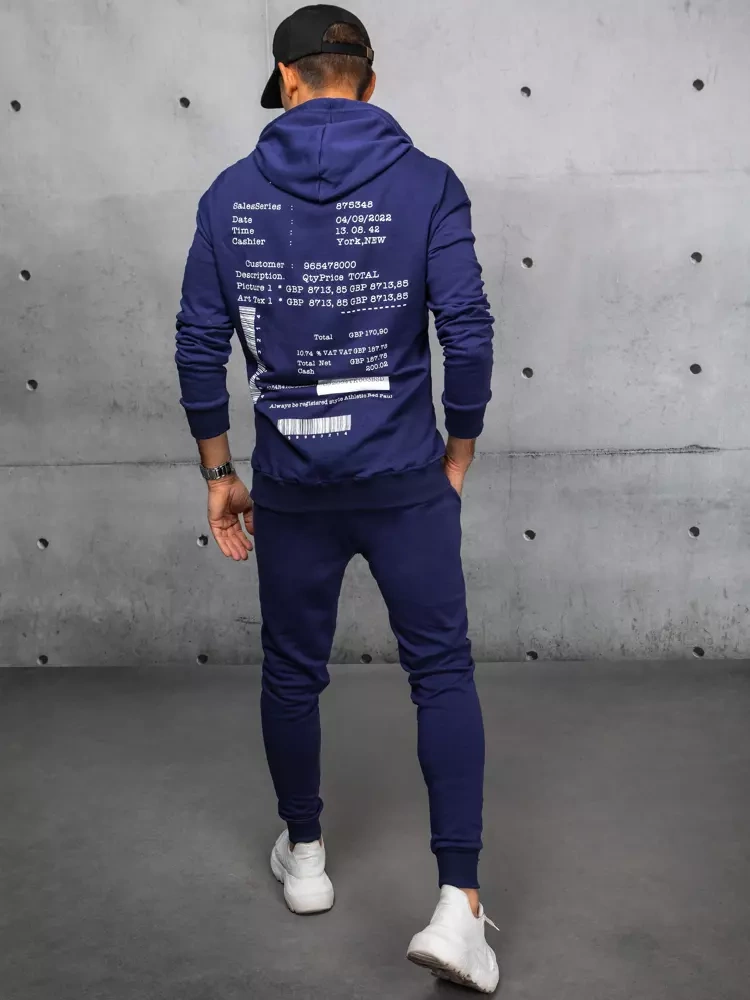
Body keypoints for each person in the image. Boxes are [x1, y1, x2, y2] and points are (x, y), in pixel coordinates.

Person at [175, 4, 498, 992]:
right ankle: (459, 906)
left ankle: (306, 858)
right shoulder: (429, 183)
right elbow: (467, 329)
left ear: (287, 80)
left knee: (291, 670)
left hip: (293, 483)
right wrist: (458, 450)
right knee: (441, 673)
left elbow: (198, 345)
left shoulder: (229, 195)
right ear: (370, 78)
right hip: (405, 478)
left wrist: (220, 475)